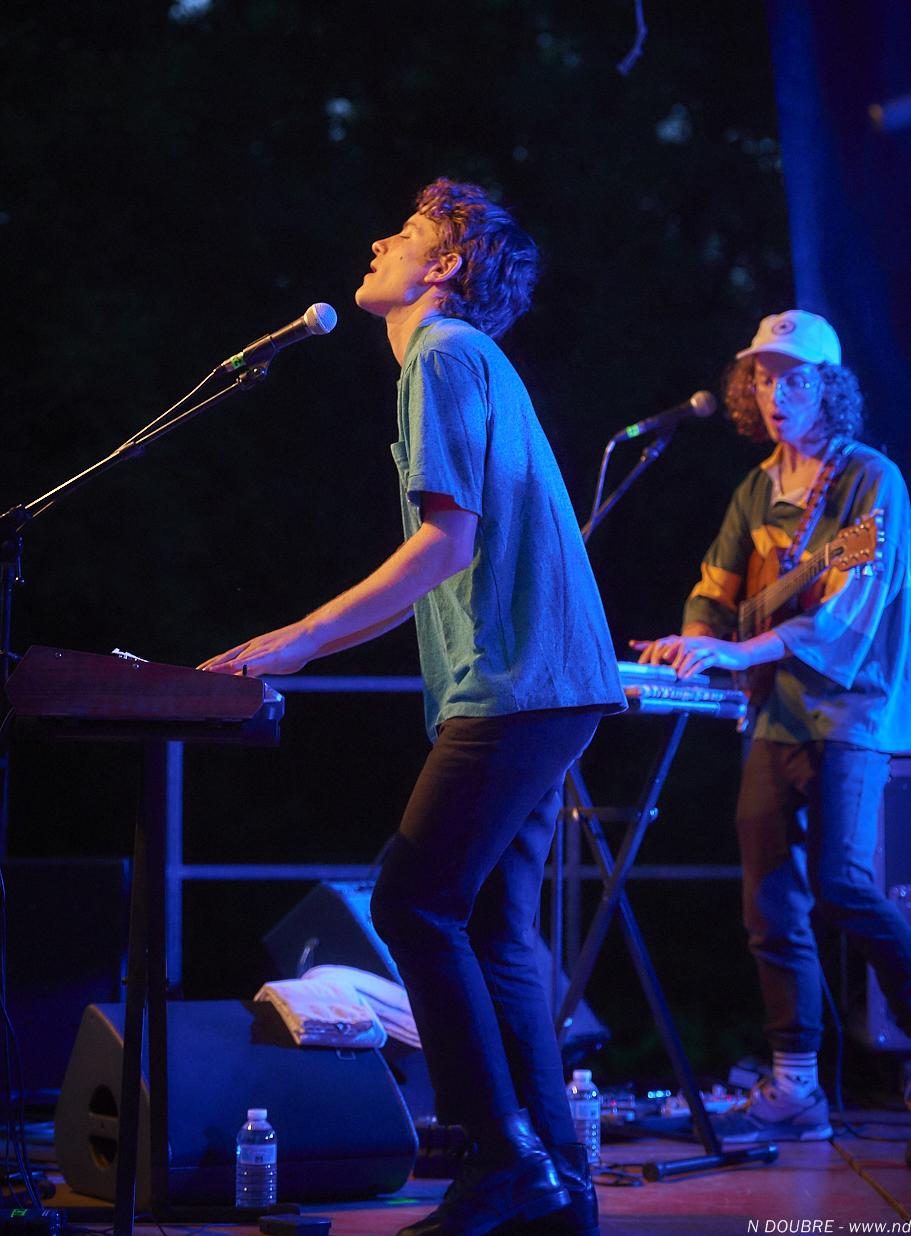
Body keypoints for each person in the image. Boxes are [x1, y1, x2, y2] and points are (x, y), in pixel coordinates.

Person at [202, 178, 626, 1236]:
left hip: (518, 684)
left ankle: (502, 1158)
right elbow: (440, 562)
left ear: (443, 267)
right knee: (495, 931)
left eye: (403, 233)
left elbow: (443, 544)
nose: (376, 241)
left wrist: (296, 639)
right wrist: (302, 645)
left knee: (410, 904)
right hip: (547, 682)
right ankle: (556, 1185)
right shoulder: (465, 360)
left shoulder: (439, 353)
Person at [633, 310, 911, 1170]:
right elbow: (714, 588)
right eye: (762, 377)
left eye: (794, 378)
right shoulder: (756, 488)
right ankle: (795, 1091)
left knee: (841, 885)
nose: (775, 393)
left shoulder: (872, 483)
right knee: (770, 902)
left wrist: (735, 649)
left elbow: (846, 609)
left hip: (850, 709)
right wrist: (692, 644)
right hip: (774, 715)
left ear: (828, 387)